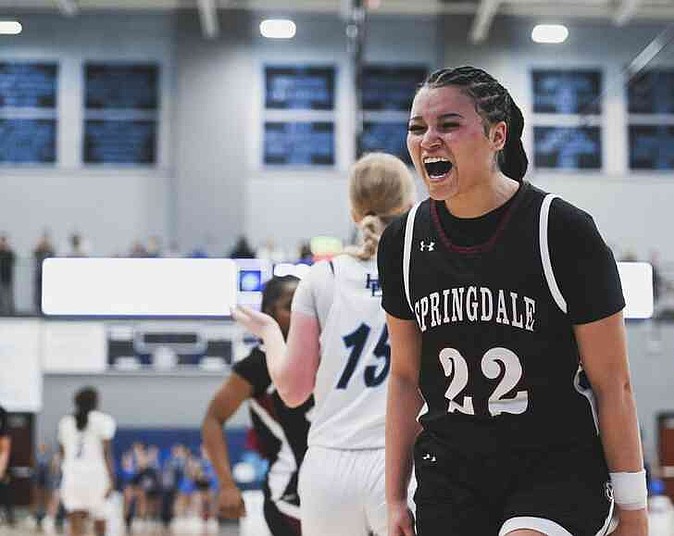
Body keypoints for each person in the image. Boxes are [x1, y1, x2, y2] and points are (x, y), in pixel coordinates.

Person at [377, 66, 647, 536]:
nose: (428, 140)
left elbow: (613, 384)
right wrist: (395, 496)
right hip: (452, 471)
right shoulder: (402, 242)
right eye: (417, 128)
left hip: (553, 465)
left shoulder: (560, 231)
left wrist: (635, 509)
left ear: (497, 134)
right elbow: (404, 379)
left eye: (449, 125)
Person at [232, 152, 416, 536]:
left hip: (330, 466)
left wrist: (269, 333)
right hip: (405, 462)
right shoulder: (425, 272)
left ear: (353, 211)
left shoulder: (322, 277)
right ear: (410, 205)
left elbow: (293, 392)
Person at [203, 275, 311, 536]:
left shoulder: (327, 352)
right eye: (290, 307)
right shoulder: (259, 364)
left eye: (305, 306)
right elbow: (213, 419)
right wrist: (227, 484)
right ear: (268, 314)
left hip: (335, 490)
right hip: (289, 495)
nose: (300, 315)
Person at [58, 387, 116, 536]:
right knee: (100, 522)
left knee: (75, 525)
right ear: (96, 402)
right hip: (96, 477)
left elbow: (62, 455)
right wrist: (112, 479)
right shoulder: (104, 420)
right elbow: (106, 453)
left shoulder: (65, 422)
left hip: (72, 477)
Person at [0, 404, 13, 526]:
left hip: (2, 464)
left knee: (5, 489)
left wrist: (2, 469)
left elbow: (5, 448)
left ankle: (9, 515)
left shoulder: (2, 413)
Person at [0, 234, 15, 315]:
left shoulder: (9, 253)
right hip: (1, 276)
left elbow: (13, 259)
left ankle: (10, 311)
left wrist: (7, 249)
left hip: (7, 276)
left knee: (8, 294)